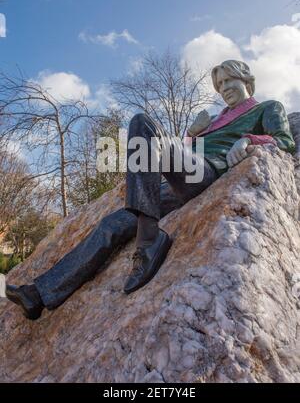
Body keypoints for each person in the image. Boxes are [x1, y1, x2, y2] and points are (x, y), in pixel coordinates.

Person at [5, 60, 295, 320]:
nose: (224, 89)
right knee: (111, 224)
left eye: (229, 81)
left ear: (247, 81)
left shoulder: (267, 108)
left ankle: (148, 242)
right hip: (181, 180)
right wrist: (192, 134)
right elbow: (177, 157)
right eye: (220, 85)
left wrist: (248, 141)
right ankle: (39, 295)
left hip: (209, 174)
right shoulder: (214, 121)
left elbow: (284, 141)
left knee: (142, 123)